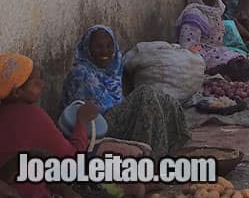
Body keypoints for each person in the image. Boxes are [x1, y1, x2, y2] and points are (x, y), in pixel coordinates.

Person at [62, 26, 189, 157]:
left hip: (115, 121)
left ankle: (165, 150)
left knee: (165, 100)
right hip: (96, 128)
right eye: (98, 46)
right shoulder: (80, 74)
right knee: (145, 94)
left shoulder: (113, 72)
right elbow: (92, 113)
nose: (105, 51)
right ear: (87, 49)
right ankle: (152, 157)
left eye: (109, 45)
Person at [0, 54, 100, 198]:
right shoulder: (31, 116)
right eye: (35, 82)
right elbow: (72, 160)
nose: (43, 84)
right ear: (17, 92)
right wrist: (82, 119)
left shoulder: (5, 111)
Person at [176, 0, 249, 82]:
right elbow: (188, 46)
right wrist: (210, 56)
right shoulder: (193, 14)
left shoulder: (214, 12)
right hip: (198, 55)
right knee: (235, 66)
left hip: (215, 51)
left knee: (243, 61)